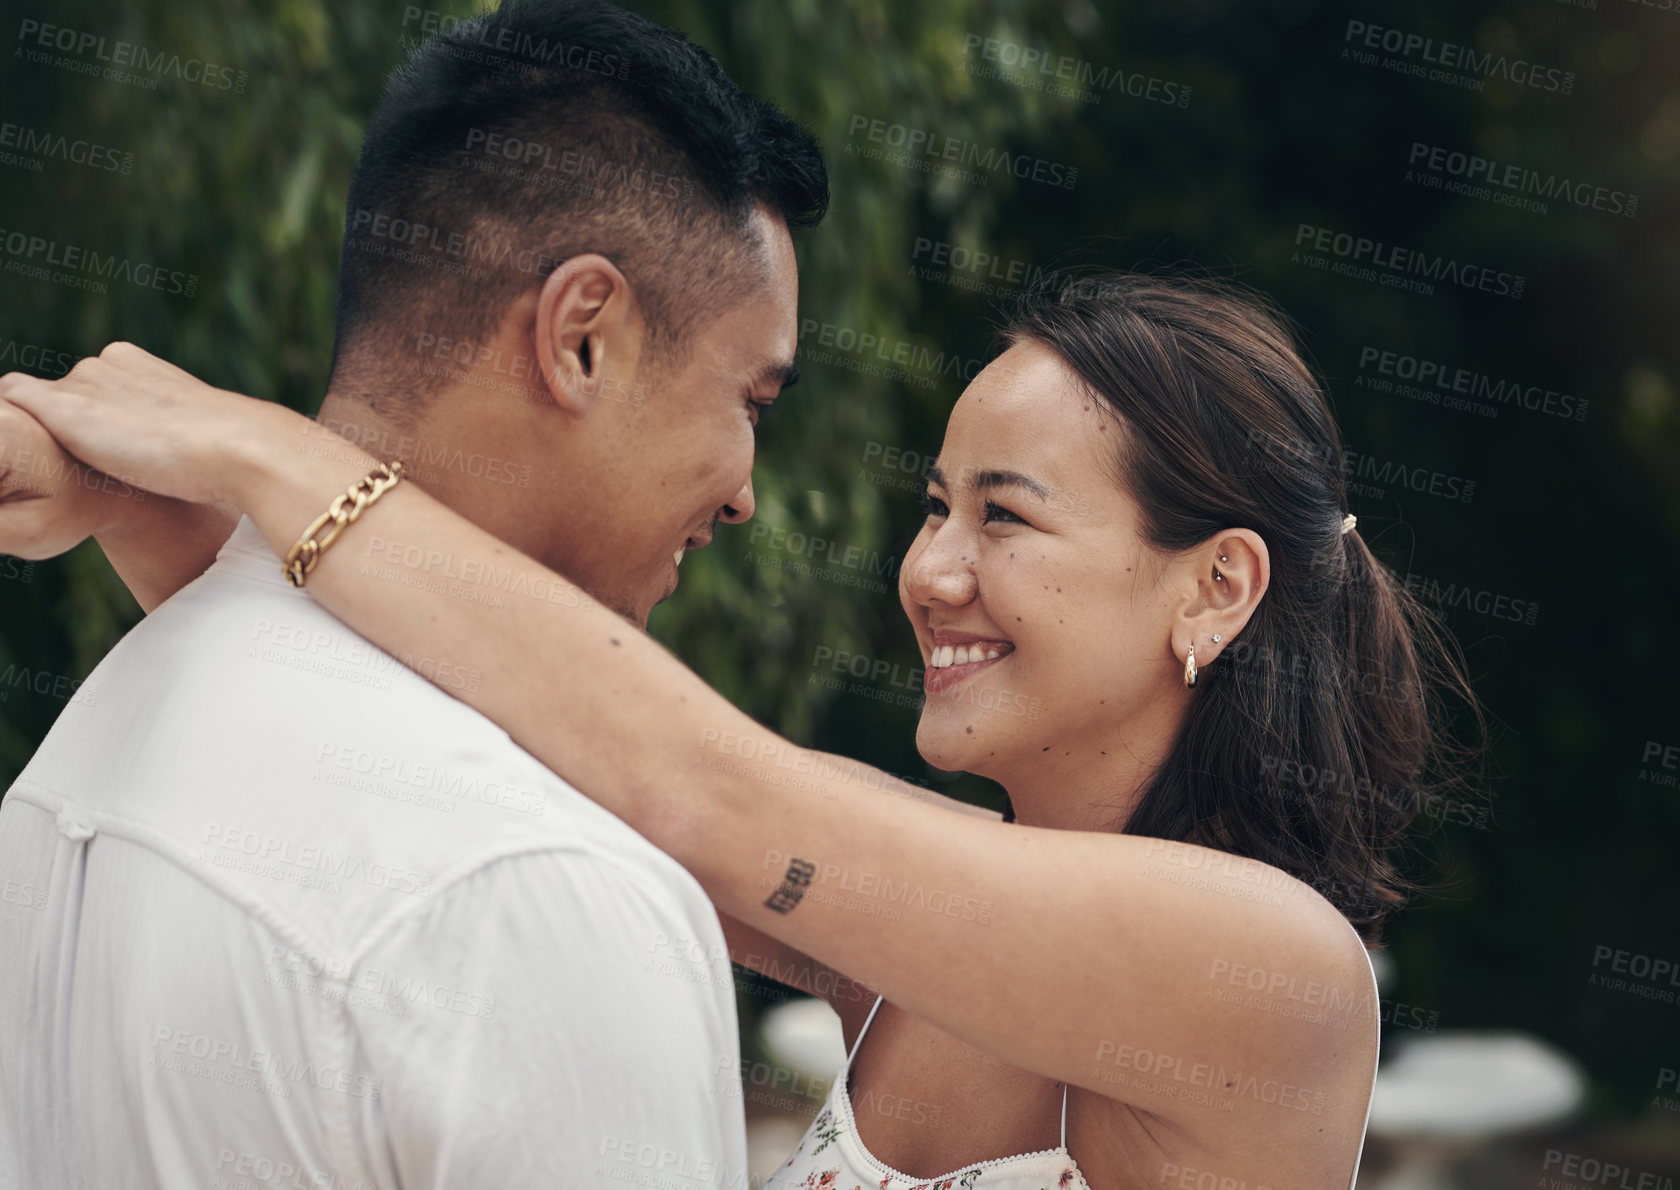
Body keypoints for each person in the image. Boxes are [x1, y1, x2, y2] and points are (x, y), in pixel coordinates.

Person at [0, 272, 1482, 1188]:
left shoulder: (1271, 973)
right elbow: (465, 754)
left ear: (1215, 587)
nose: (929, 571)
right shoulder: (914, 928)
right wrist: (163, 521)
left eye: (1003, 516)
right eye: (934, 507)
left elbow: (688, 775)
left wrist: (261, 444)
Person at [0, 0, 836, 1185]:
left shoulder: (97, 733)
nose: (746, 493)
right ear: (583, 338)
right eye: (750, 401)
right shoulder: (537, 884)